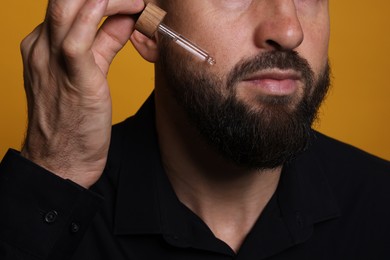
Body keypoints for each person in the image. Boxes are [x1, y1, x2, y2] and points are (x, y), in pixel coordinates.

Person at [0, 0, 389, 259]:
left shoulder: (380, 206)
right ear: (145, 27)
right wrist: (53, 171)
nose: (289, 31)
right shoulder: (50, 209)